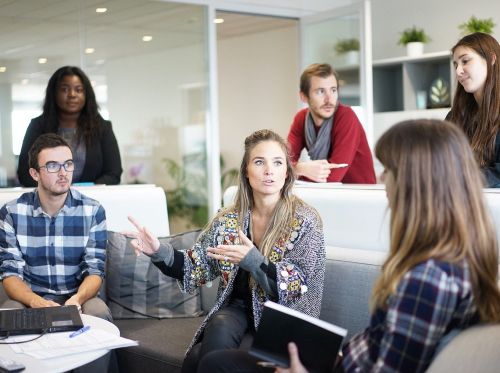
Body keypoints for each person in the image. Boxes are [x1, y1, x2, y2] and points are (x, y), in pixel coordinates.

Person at [203, 119, 500, 373]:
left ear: (417, 183)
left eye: (389, 170)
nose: (382, 179)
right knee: (212, 360)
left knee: (214, 365)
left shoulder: (428, 280)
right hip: (341, 361)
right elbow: (381, 345)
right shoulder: (452, 260)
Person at [121, 129, 326, 373]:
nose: (269, 170)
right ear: (247, 172)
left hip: (283, 321)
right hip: (237, 311)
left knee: (199, 357)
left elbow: (295, 284)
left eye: (277, 162)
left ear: (286, 173)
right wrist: (157, 250)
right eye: (259, 162)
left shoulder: (305, 220)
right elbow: (193, 267)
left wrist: (252, 260)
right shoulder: (229, 219)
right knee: (219, 323)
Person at [0, 133, 112, 371]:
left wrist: (76, 301)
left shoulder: (92, 211)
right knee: (8, 313)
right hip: (30, 297)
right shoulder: (12, 212)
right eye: (52, 166)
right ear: (34, 173)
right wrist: (36, 302)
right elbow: (10, 274)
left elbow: (95, 270)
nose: (63, 172)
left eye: (68, 164)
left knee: (99, 312)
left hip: (77, 296)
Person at [17, 66, 122, 187]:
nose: (72, 95)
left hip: (91, 201)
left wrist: (83, 191)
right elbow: (25, 174)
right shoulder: (37, 126)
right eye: (65, 89)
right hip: (48, 202)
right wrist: (57, 190)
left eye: (78, 90)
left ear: (86, 94)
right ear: (54, 93)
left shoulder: (102, 128)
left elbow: (113, 173)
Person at [287, 63, 376, 184]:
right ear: (304, 97)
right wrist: (300, 168)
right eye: (320, 91)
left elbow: (333, 176)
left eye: (333, 90)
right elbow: (282, 164)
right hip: (327, 193)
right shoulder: (301, 119)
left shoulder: (346, 117)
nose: (329, 99)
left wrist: (295, 171)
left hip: (359, 195)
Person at [448, 32, 500, 187]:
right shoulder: (455, 115)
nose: (458, 71)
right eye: (456, 65)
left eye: (465, 61)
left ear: (491, 59)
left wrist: (459, 179)